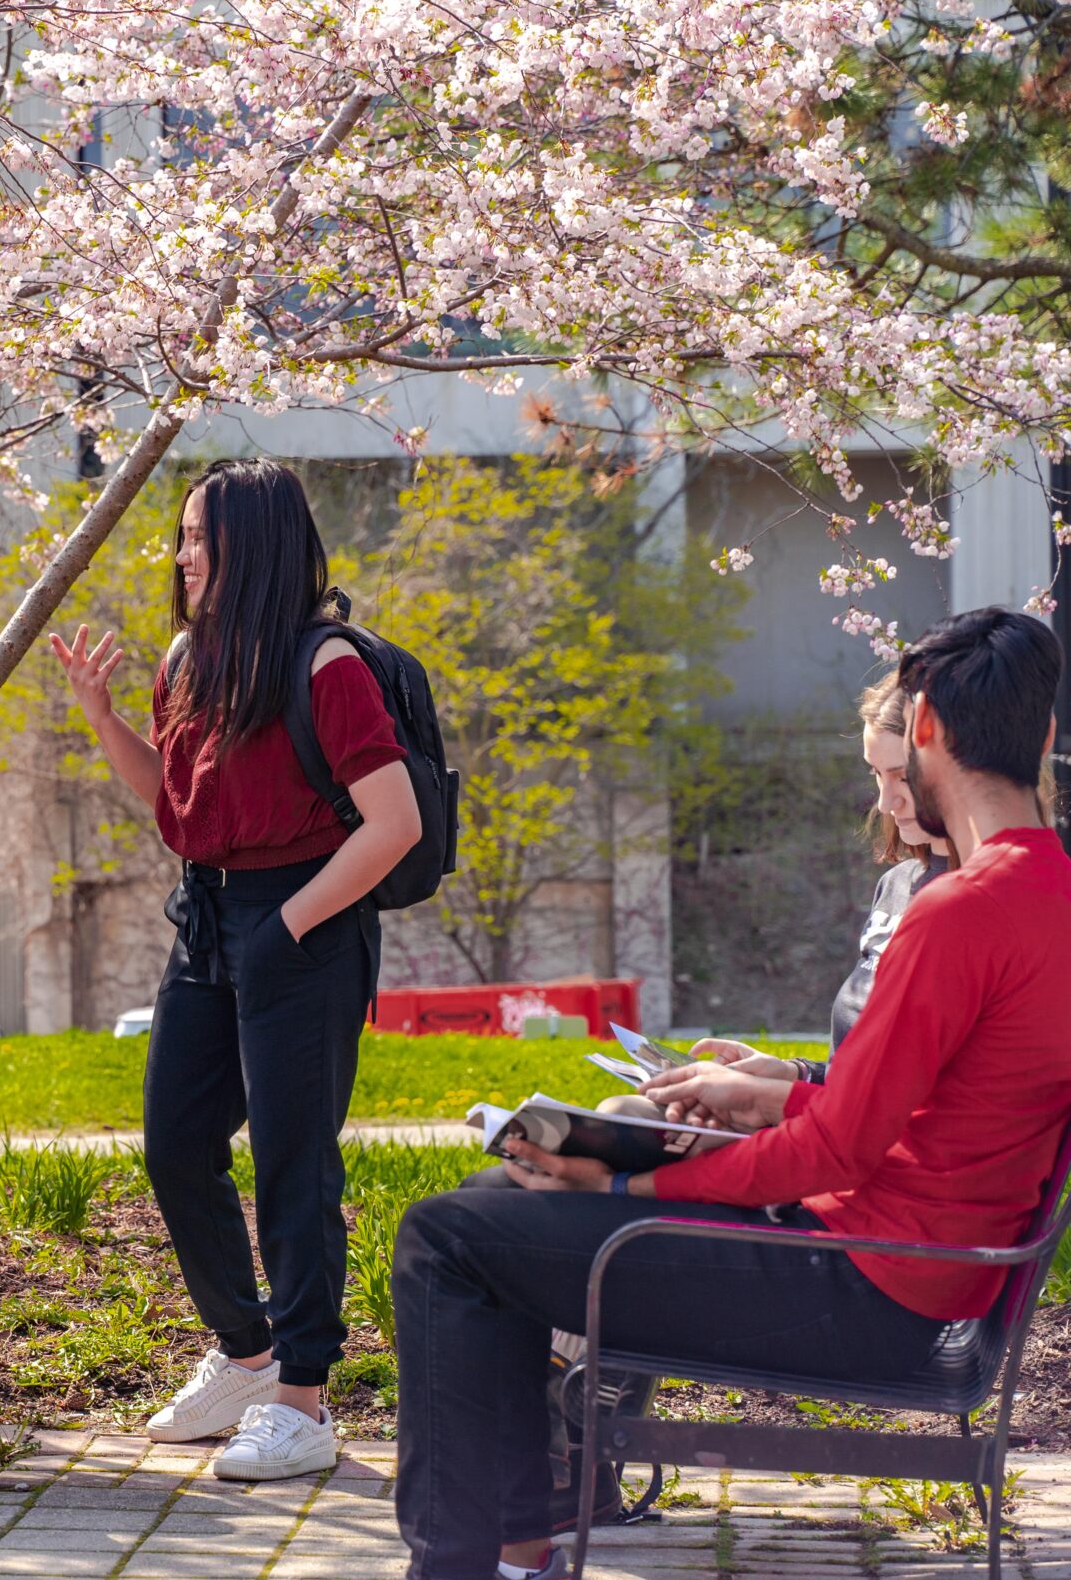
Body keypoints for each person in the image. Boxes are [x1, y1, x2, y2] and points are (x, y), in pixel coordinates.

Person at [391, 607, 1071, 1580]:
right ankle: (518, 1552)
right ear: (1042, 737)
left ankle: (454, 1568)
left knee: (442, 1242)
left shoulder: (956, 914)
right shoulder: (1050, 896)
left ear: (921, 731)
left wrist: (625, 1195)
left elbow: (836, 1150)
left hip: (863, 1290)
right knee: (492, 1210)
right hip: (917, 1275)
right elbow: (908, 1114)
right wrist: (763, 1095)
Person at [48, 458, 422, 1479]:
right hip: (207, 918)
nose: (181, 555)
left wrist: (287, 928)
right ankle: (249, 1356)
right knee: (175, 1144)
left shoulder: (324, 666)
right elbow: (174, 801)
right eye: (181, 536)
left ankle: (302, 1400)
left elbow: (394, 823)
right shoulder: (186, 660)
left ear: (251, 546)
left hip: (306, 917)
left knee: (293, 1164)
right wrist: (101, 711)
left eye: (198, 537)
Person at [691, 671, 948, 1084]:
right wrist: (791, 1074)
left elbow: (907, 1095)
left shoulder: (978, 900)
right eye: (876, 775)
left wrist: (774, 1100)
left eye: (902, 776)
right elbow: (850, 1078)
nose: (885, 802)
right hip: (829, 1122)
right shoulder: (896, 885)